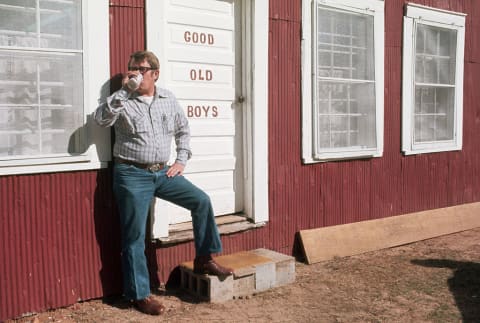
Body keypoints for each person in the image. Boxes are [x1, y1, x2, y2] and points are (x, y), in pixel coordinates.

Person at [94, 50, 233, 316]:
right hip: (132, 175)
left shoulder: (168, 99)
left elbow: (183, 129)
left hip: (163, 173)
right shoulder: (122, 99)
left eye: (141, 69)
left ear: (155, 74)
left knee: (201, 201)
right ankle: (139, 295)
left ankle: (204, 259)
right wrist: (124, 91)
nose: (134, 73)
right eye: (131, 68)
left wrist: (181, 160)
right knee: (135, 236)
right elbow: (101, 120)